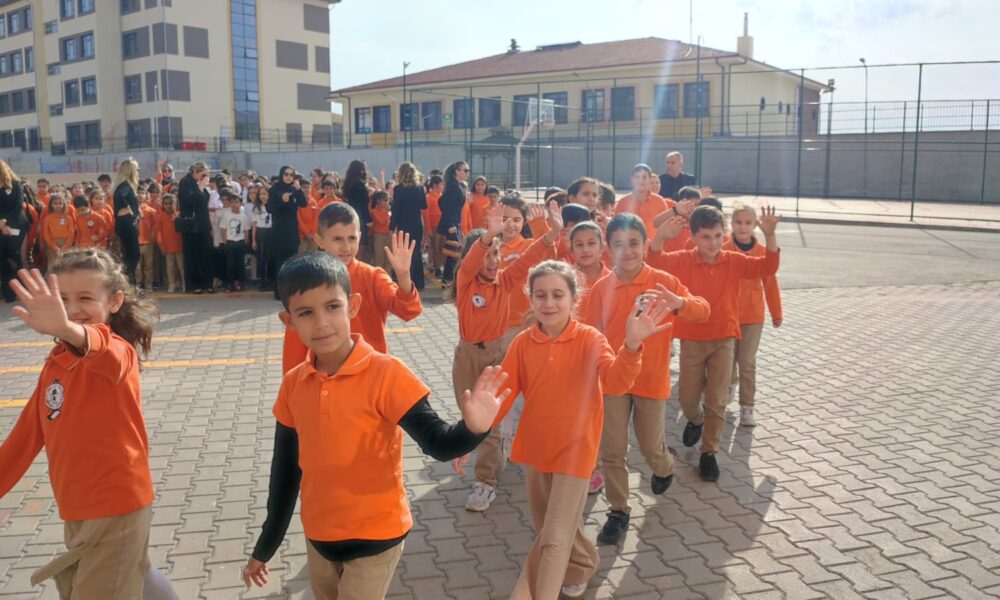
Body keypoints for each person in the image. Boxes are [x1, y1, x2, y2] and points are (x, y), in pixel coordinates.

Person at [243, 252, 508, 600]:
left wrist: (473, 429)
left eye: (332, 307)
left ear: (353, 306)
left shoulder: (387, 374)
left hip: (377, 535)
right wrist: (266, 546)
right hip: (320, 536)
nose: (321, 323)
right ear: (288, 321)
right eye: (306, 313)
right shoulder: (294, 384)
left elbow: (438, 443)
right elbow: (285, 472)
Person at [462, 260, 672, 600]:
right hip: (535, 449)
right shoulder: (523, 343)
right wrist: (470, 432)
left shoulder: (590, 339)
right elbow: (501, 397)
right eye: (541, 295)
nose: (549, 303)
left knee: (553, 539)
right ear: (530, 298)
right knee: (550, 525)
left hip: (576, 452)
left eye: (558, 295)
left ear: (574, 298)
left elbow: (615, 382)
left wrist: (632, 345)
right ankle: (585, 562)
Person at [0, 250, 177, 599]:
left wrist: (67, 329)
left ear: (114, 302)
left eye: (85, 298)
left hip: (114, 505)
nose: (72, 308)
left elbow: (102, 349)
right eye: (62, 299)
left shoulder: (118, 352)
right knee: (137, 576)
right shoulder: (57, 362)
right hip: (77, 506)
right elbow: (25, 436)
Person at [584, 213, 710, 544]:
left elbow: (703, 309)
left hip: (650, 381)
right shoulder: (600, 289)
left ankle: (666, 466)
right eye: (619, 244)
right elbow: (589, 335)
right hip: (613, 381)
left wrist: (680, 303)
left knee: (651, 449)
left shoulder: (662, 282)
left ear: (644, 244)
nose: (627, 251)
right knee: (612, 450)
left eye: (634, 243)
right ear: (608, 249)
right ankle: (618, 510)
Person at [647, 206, 780, 481]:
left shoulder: (734, 260)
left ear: (724, 234)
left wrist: (769, 235)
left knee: (717, 399)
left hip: (724, 339)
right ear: (693, 237)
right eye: (706, 237)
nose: (713, 242)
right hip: (693, 338)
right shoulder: (685, 259)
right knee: (687, 399)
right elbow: (655, 262)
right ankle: (696, 419)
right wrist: (660, 236)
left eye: (718, 236)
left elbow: (767, 267)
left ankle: (709, 453)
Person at [449, 203, 562, 512]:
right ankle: (495, 452)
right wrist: (488, 236)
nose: (492, 261)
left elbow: (530, 257)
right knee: (470, 417)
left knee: (487, 422)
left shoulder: (506, 280)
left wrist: (551, 233)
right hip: (466, 356)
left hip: (496, 356)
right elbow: (471, 262)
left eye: (496, 254)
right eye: (486, 255)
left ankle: (484, 483)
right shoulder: (465, 282)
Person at [281, 203, 422, 372]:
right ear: (319, 240)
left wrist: (403, 276)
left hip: (369, 373)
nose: (346, 247)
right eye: (337, 239)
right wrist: (295, 382)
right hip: (325, 378)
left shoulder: (373, 277)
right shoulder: (306, 282)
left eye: (352, 238)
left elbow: (408, 310)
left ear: (360, 237)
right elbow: (295, 349)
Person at [723, 204, 783, 427]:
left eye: (748, 223)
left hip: (753, 317)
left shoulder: (763, 253)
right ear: (731, 223)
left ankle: (747, 406)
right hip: (727, 316)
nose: (743, 227)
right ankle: (729, 384)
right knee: (727, 361)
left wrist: (776, 312)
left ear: (755, 225)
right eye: (738, 222)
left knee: (747, 361)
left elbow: (770, 284)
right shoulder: (723, 250)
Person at [267, 166, 308, 298]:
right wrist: (282, 201)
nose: (289, 177)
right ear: (281, 175)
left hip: (292, 231)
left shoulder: (294, 189)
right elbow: (270, 208)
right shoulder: (274, 189)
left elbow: (303, 203)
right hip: (279, 231)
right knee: (280, 262)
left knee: (292, 262)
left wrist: (299, 190)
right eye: (286, 174)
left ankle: (291, 290)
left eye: (291, 175)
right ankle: (279, 291)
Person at [389, 162, 428, 290]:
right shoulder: (419, 188)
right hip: (416, 223)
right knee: (416, 253)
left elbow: (396, 209)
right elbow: (424, 206)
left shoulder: (398, 189)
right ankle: (419, 282)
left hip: (403, 224)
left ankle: (405, 281)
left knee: (404, 252)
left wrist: (392, 226)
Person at [178, 162, 214, 294]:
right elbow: (188, 200)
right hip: (191, 225)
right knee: (192, 256)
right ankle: (194, 284)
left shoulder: (202, 185)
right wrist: (200, 188)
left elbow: (204, 201)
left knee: (206, 254)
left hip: (203, 224)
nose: (205, 177)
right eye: (203, 174)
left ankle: (208, 283)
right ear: (195, 172)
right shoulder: (186, 182)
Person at [436, 161, 470, 284]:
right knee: (454, 253)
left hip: (455, 223)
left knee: (454, 253)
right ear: (457, 171)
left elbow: (441, 201)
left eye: (467, 171)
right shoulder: (453, 186)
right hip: (453, 224)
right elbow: (447, 206)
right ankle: (448, 279)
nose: (467, 173)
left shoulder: (455, 185)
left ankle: (448, 279)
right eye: (465, 170)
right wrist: (451, 225)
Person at [614, 164, 667, 240]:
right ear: (632, 179)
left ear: (649, 180)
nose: (640, 180)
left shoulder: (659, 201)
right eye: (637, 177)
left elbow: (666, 227)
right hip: (630, 245)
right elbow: (616, 228)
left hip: (654, 245)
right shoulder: (622, 203)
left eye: (644, 177)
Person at [1, 159, 27, 302]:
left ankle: (20, 289)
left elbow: (18, 206)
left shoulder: (16, 184)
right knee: (2, 259)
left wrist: (5, 222)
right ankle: (8, 293)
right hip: (0, 226)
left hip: (16, 224)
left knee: (14, 257)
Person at [113, 159, 142, 282]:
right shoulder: (125, 186)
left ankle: (130, 283)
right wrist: (131, 210)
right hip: (126, 224)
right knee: (133, 255)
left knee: (130, 255)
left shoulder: (122, 186)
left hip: (124, 224)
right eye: (137, 169)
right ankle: (129, 284)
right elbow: (122, 207)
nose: (138, 172)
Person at [220, 189, 252, 292]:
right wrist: (225, 242)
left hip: (240, 241)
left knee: (240, 264)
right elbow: (223, 229)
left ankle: (241, 283)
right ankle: (230, 284)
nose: (234, 204)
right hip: (230, 242)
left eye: (236, 202)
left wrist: (245, 241)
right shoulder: (226, 215)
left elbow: (246, 230)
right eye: (232, 202)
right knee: (230, 265)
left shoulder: (244, 216)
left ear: (240, 203)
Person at [342, 160, 372, 262]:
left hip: (349, 216)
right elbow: (363, 205)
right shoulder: (361, 186)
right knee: (360, 249)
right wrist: (368, 220)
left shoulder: (347, 185)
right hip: (360, 219)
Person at [155, 194, 185, 293]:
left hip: (179, 244)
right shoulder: (161, 217)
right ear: (163, 205)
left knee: (181, 266)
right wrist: (161, 245)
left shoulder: (179, 215)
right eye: (166, 204)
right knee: (170, 266)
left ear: (175, 204)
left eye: (171, 203)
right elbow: (158, 232)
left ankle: (184, 283)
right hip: (167, 245)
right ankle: (172, 284)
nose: (168, 206)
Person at [251, 186, 275, 292]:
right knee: (262, 258)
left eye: (264, 194)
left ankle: (271, 280)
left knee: (271, 257)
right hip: (261, 233)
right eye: (260, 194)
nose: (262, 196)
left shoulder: (273, 206)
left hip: (271, 232)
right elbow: (254, 225)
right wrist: (254, 240)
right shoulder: (257, 208)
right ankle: (262, 281)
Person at [43, 193, 76, 264]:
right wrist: (54, 246)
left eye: (60, 203)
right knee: (53, 264)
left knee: (66, 264)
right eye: (55, 203)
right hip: (52, 244)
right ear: (51, 205)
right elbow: (46, 234)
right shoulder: (48, 218)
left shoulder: (68, 218)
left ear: (64, 204)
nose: (58, 205)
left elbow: (71, 233)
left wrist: (66, 246)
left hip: (66, 243)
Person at [136, 187, 158, 291]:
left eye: (142, 193)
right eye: (138, 193)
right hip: (135, 242)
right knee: (137, 266)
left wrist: (152, 236)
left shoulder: (151, 211)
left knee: (148, 264)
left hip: (148, 241)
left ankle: (148, 283)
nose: (140, 195)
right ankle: (138, 284)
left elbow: (155, 226)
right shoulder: (130, 210)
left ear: (146, 195)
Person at [424, 174, 445, 279]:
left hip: (444, 225)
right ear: (435, 185)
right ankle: (437, 267)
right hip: (434, 226)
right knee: (436, 248)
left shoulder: (443, 196)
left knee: (444, 247)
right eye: (441, 184)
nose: (443, 186)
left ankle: (443, 266)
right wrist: (428, 229)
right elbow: (426, 215)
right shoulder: (428, 197)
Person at [369, 191, 392, 272]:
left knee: (388, 258)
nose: (387, 202)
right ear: (378, 200)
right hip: (379, 236)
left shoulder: (388, 211)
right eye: (385, 200)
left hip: (389, 234)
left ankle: (388, 276)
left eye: (388, 200)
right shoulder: (374, 211)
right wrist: (388, 213)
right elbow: (381, 221)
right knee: (379, 258)